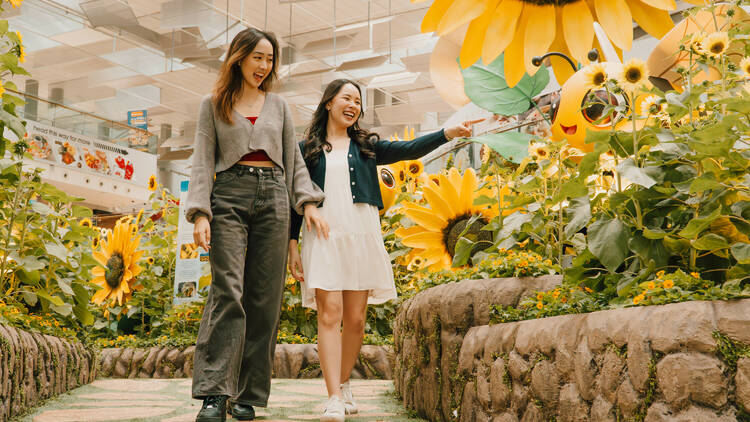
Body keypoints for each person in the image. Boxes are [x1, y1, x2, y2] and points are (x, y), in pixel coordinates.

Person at [288, 78, 481, 422]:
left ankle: (344, 382)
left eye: (358, 101)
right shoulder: (307, 150)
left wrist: (447, 133)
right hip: (323, 235)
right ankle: (333, 396)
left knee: (357, 319)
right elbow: (294, 197)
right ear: (329, 103)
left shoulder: (368, 147)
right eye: (346, 98)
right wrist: (292, 242)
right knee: (329, 314)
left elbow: (410, 148)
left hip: (361, 232)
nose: (353, 105)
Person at [185, 28, 328, 422]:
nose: (264, 67)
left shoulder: (279, 106)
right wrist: (200, 212)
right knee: (227, 291)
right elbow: (201, 161)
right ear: (239, 58)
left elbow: (294, 163)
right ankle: (215, 394)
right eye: (257, 58)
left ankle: (248, 395)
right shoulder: (212, 104)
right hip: (228, 195)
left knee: (264, 299)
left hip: (275, 198)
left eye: (269, 60)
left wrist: (309, 202)